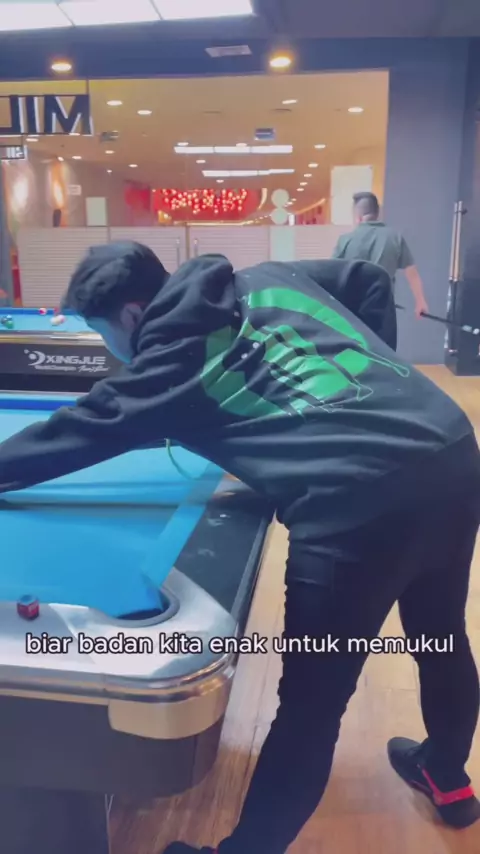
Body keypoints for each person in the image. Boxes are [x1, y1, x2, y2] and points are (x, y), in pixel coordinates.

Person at [0, 242, 479, 854]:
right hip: (449, 449)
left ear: (131, 314)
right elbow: (366, 281)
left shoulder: (165, 367)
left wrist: (347, 422)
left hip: (355, 501)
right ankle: (448, 776)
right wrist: (369, 389)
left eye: (102, 332)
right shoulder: (268, 276)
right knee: (440, 635)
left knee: (311, 706)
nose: (109, 349)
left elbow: (70, 434)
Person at [333, 191, 429, 320]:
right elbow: (412, 273)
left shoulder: (345, 240)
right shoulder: (395, 238)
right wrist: (420, 301)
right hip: (383, 312)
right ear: (377, 214)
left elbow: (332, 275)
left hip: (352, 314)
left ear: (358, 217)